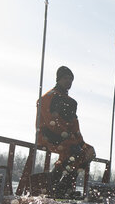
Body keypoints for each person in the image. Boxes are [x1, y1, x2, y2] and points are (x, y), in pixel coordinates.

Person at [36, 66, 95, 196]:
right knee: (74, 150)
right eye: (65, 78)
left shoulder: (71, 102)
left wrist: (82, 143)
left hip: (66, 139)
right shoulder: (48, 97)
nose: (68, 82)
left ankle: (63, 185)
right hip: (47, 135)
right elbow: (50, 120)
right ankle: (56, 186)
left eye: (71, 79)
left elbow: (75, 125)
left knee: (88, 152)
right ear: (58, 79)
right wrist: (67, 137)